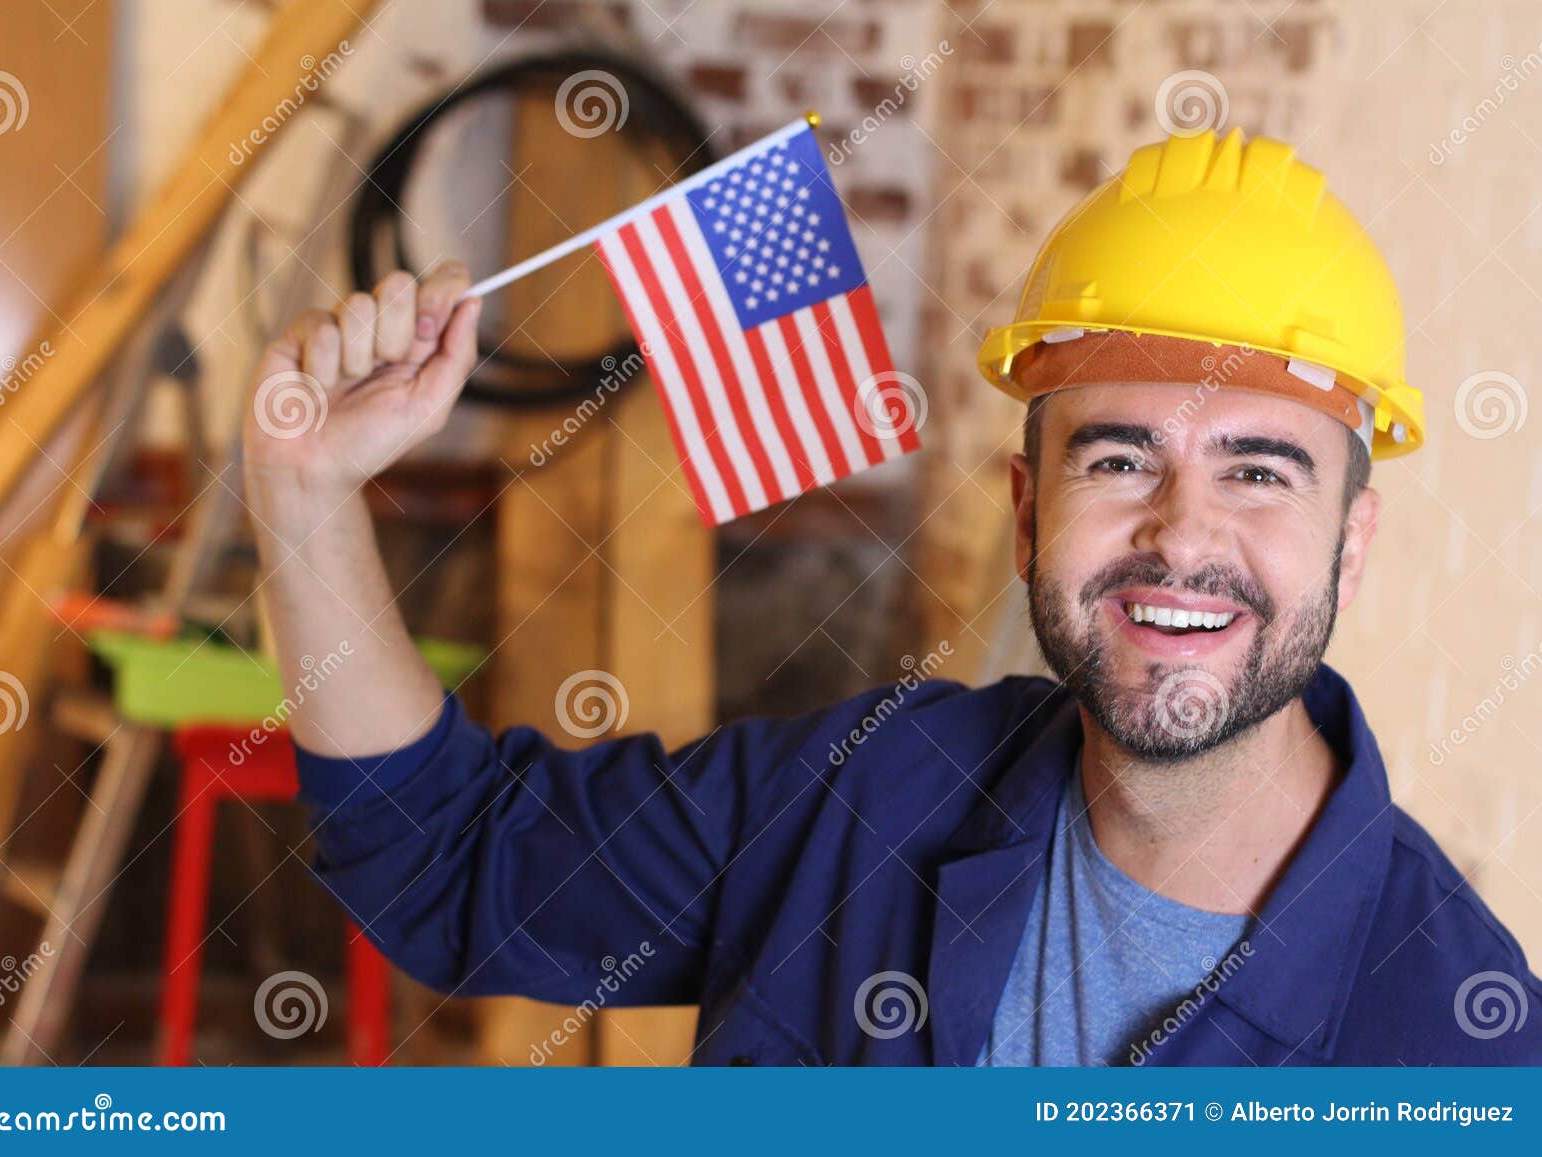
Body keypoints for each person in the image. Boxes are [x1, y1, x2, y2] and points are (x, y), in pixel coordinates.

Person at [242, 128, 1541, 1065]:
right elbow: (451, 858)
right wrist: (301, 493)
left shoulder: (1456, 1036)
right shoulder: (859, 792)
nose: (1179, 531)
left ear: (1351, 544)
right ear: (1030, 512)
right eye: (1118, 456)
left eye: (1259, 470)